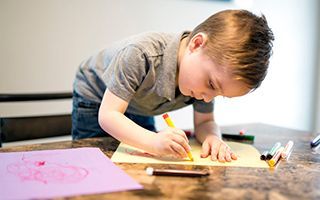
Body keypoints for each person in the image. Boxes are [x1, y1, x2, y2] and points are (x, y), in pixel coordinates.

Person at [72, 9, 274, 162]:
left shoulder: (203, 83)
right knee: (96, 162)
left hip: (140, 103)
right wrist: (152, 141)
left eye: (219, 95)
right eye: (211, 84)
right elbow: (109, 116)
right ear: (196, 44)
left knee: (137, 162)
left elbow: (204, 123)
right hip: (97, 97)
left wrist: (213, 137)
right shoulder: (141, 54)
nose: (207, 98)